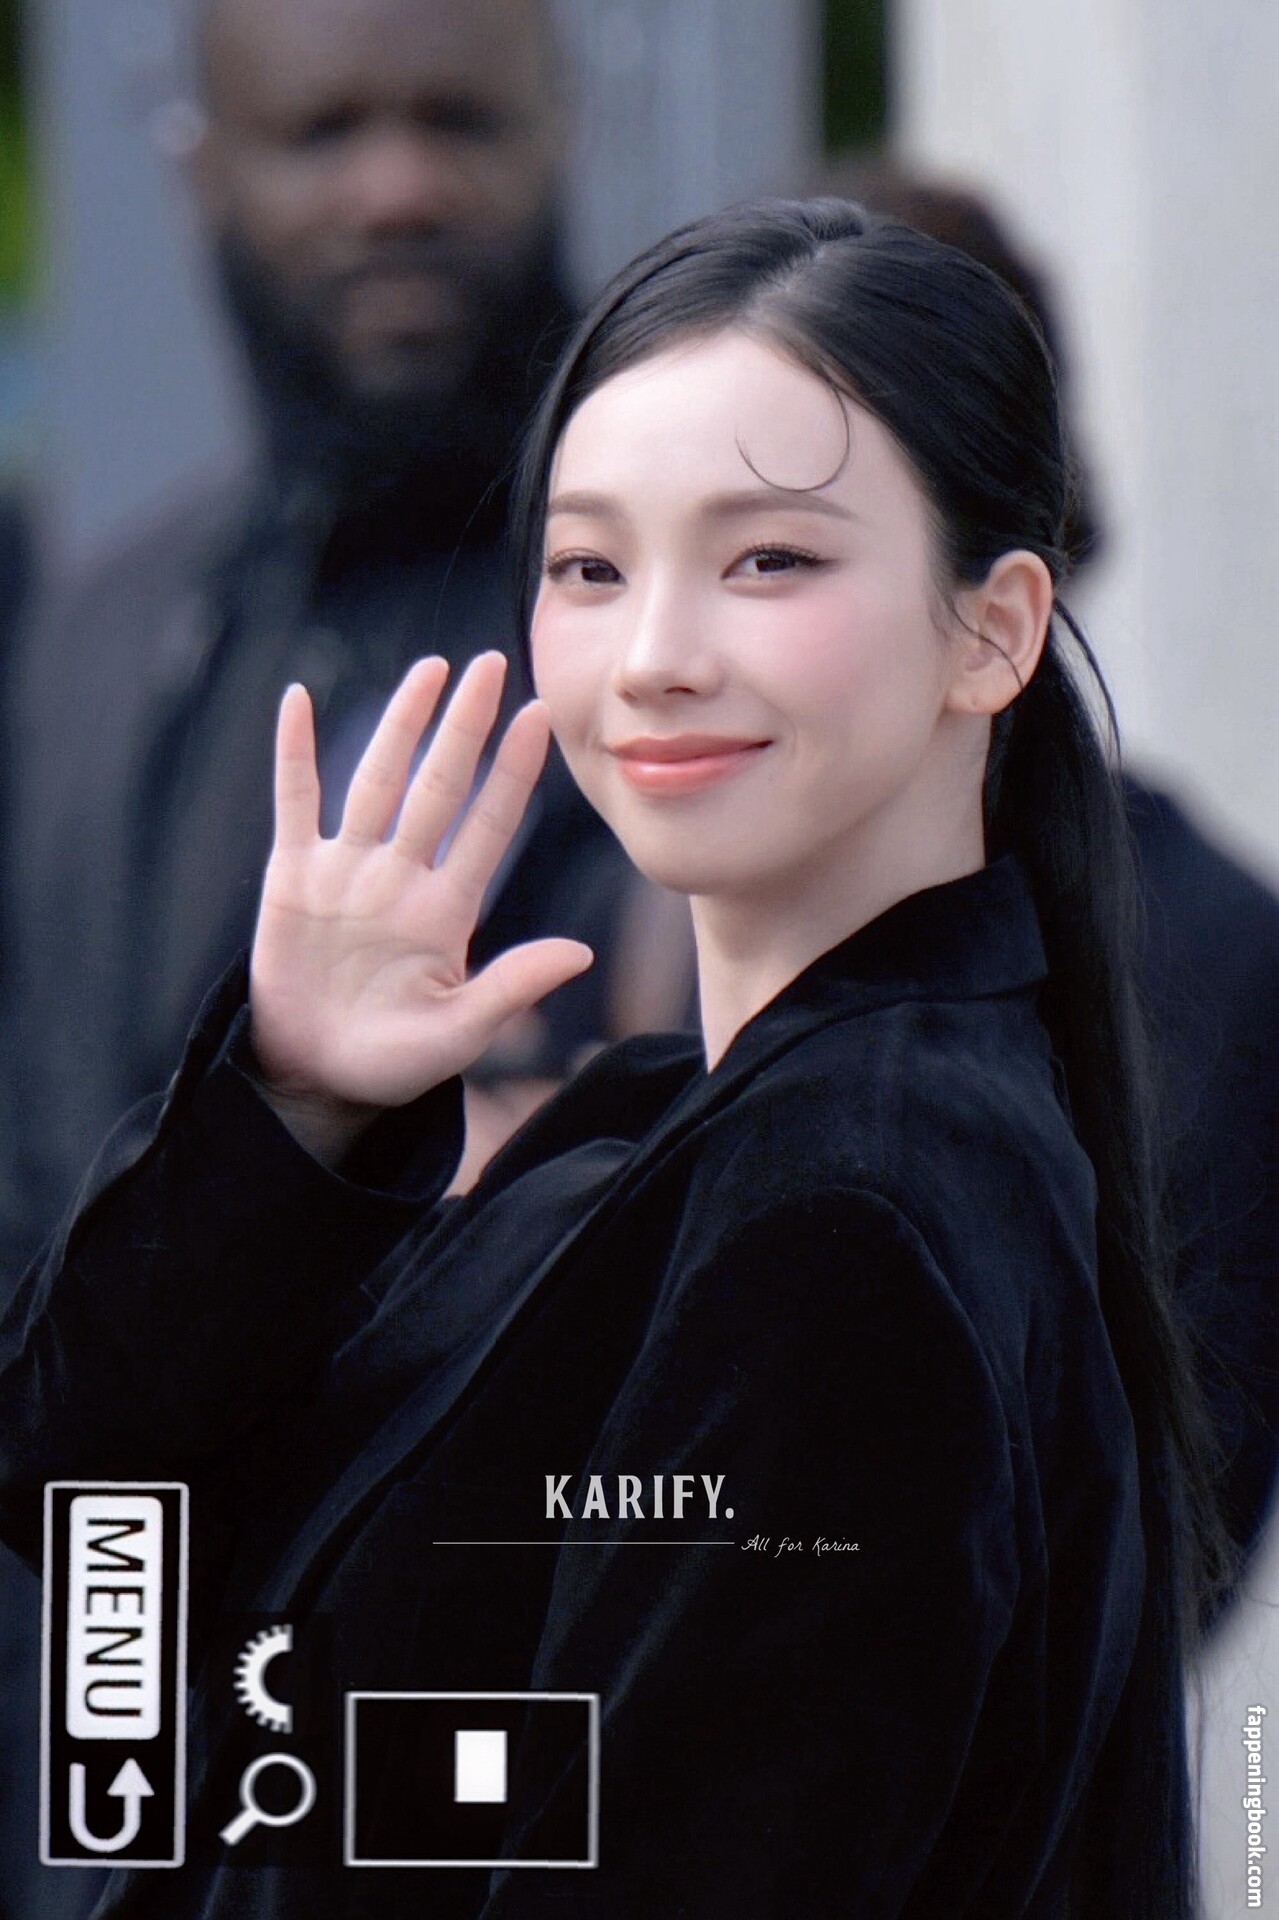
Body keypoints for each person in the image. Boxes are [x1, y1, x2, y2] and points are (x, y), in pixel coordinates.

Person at [0, 198, 1234, 1916]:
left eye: (768, 561)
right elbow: (93, 1530)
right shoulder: (680, 1130)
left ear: (993, 629)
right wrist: (296, 1101)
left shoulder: (842, 1221)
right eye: (589, 567)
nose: (652, 658)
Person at [0, 0, 624, 1278]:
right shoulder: (93, 641)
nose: (398, 190)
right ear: (201, 172)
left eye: (460, 120)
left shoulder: (680, 625)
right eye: (321, 132)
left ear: (559, 128)